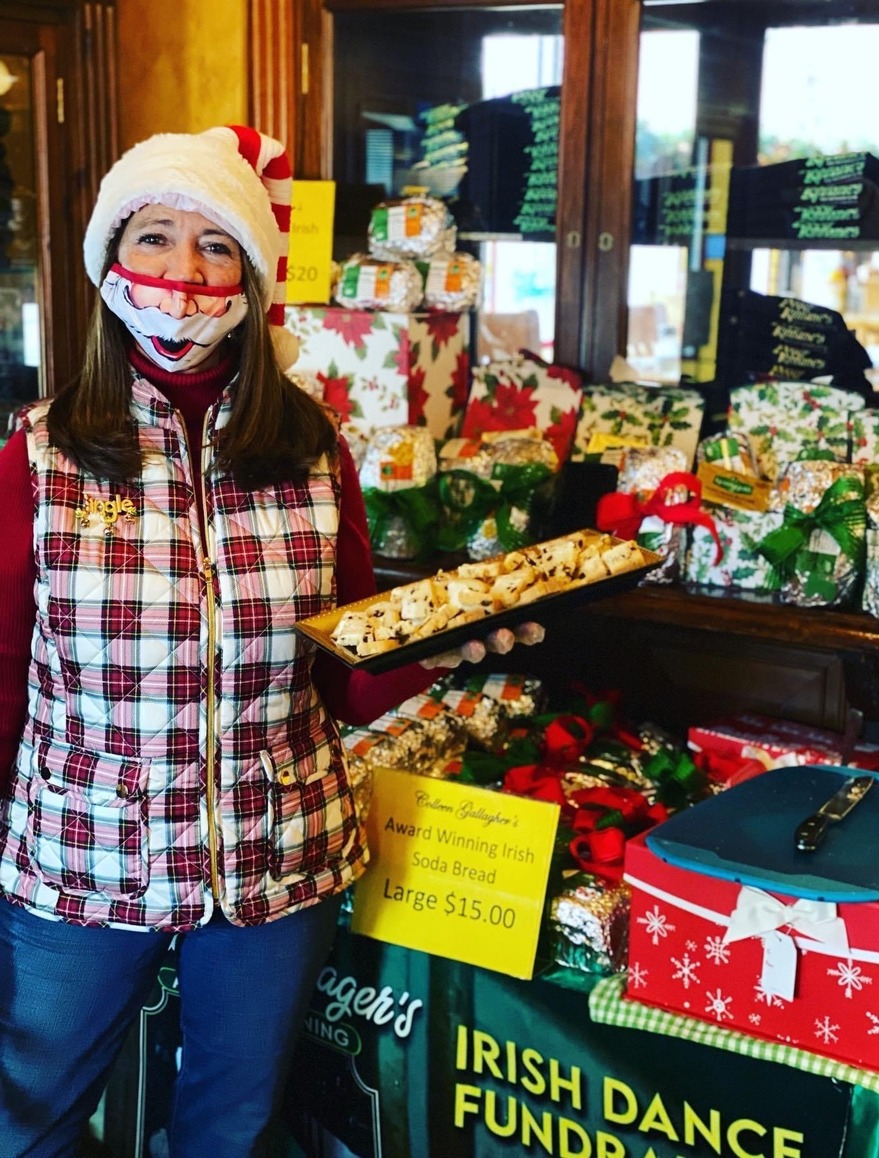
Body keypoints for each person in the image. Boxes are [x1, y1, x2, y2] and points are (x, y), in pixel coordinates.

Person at [0, 125, 541, 1156]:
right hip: (80, 855)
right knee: (25, 1125)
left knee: (233, 1131)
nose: (183, 274)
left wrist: (442, 645)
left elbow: (341, 672)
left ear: (251, 277)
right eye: (155, 236)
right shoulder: (43, 452)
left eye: (216, 247)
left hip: (274, 858)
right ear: (110, 260)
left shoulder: (307, 447)